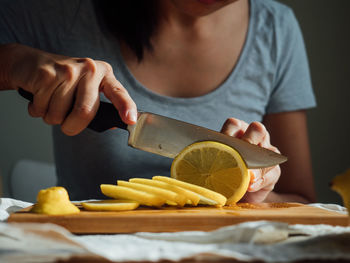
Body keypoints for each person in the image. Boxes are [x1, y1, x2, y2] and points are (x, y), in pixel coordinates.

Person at [0, 0, 316, 202]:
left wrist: (252, 194)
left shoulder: (276, 28)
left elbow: (302, 201)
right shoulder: (64, 11)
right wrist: (12, 63)